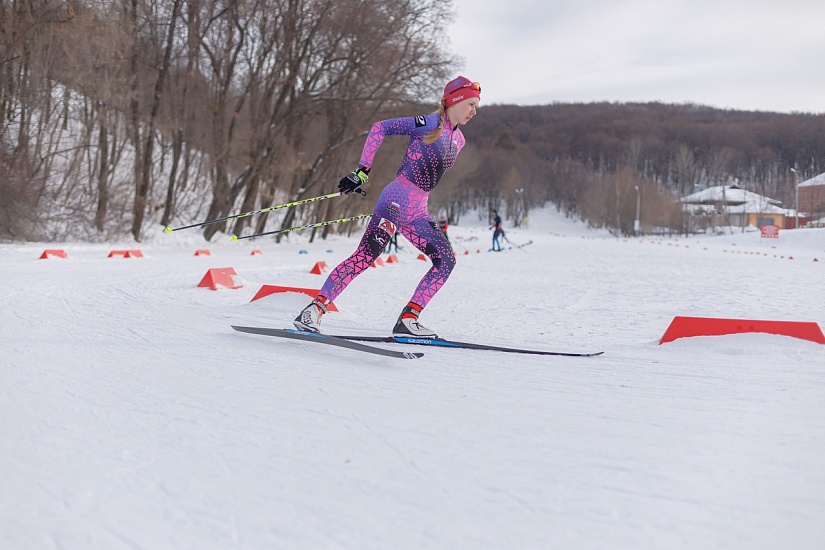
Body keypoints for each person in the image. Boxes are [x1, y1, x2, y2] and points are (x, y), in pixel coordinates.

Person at [294, 76, 481, 338]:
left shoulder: (459, 141)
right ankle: (314, 310)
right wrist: (362, 171)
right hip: (395, 200)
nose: (474, 111)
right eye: (471, 104)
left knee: (446, 260)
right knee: (366, 255)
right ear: (455, 100)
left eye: (477, 106)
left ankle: (408, 319)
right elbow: (380, 128)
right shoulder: (427, 123)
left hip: (418, 211)